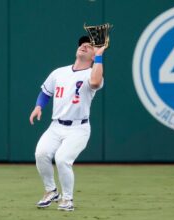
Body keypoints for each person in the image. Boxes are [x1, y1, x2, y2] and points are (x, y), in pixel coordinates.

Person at [29, 35, 105, 211]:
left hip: (78, 128)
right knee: (41, 154)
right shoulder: (59, 72)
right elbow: (46, 92)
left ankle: (67, 199)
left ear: (94, 56)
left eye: (89, 46)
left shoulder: (92, 73)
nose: (84, 46)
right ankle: (51, 191)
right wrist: (39, 106)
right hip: (56, 126)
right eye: (82, 44)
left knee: (62, 159)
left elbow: (94, 83)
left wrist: (100, 55)